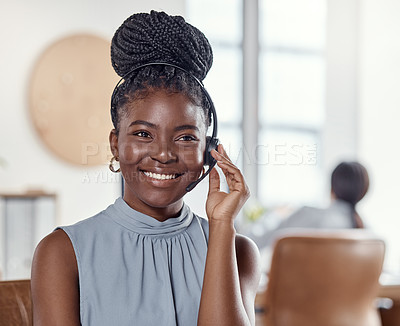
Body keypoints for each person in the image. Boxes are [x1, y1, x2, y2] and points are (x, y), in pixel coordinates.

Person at [31, 10, 260, 326]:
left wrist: (221, 226)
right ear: (115, 144)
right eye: (142, 134)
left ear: (209, 151)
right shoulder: (61, 253)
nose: (164, 154)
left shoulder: (238, 251)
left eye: (185, 137)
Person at [251, 161, 370, 251]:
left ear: (332, 188)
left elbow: (255, 243)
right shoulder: (367, 234)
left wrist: (275, 215)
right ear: (363, 192)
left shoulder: (308, 215)